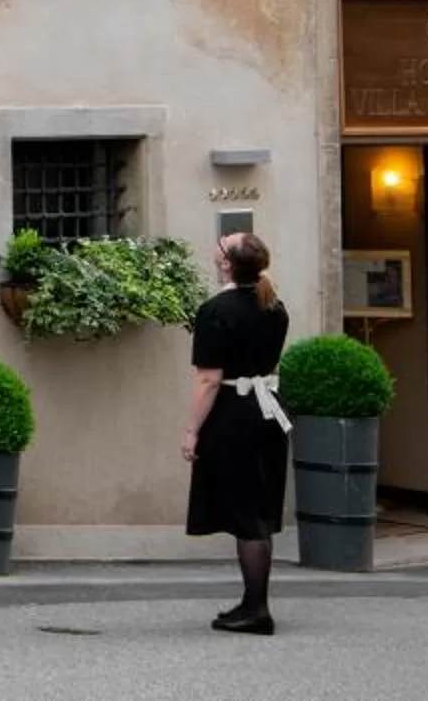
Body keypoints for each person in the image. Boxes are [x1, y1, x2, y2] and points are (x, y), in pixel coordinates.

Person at [183, 230, 293, 634]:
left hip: (235, 414)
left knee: (246, 514)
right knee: (258, 510)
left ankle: (257, 608)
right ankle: (252, 601)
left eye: (223, 243)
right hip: (267, 411)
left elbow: (208, 380)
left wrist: (191, 430)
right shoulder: (274, 307)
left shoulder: (216, 310)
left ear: (227, 263)